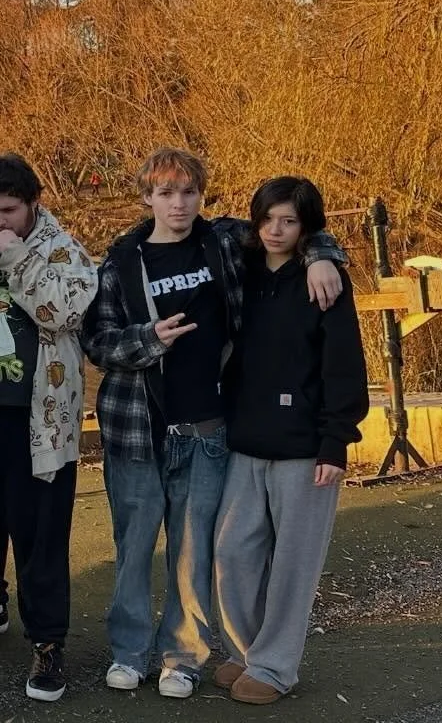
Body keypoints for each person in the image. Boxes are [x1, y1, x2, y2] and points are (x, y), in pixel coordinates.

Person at [82, 148, 346, 700]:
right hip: (136, 430)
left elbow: (289, 223)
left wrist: (324, 254)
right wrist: (149, 340)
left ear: (201, 195)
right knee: (133, 549)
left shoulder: (224, 241)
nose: (178, 204)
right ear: (147, 197)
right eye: (166, 193)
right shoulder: (120, 261)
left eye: (188, 192)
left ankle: (183, 656)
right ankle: (129, 652)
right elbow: (98, 344)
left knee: (195, 551)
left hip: (207, 429)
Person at [0, 154, 98, 702]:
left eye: (10, 210)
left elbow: (63, 312)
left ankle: (48, 641)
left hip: (37, 417)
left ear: (34, 203)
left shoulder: (63, 249)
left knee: (40, 530)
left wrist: (19, 257)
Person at [212, 177, 368, 705]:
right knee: (232, 552)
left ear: (307, 226)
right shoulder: (244, 265)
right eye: (268, 218)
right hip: (246, 440)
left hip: (306, 447)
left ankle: (275, 667)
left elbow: (344, 366)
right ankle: (245, 651)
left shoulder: (324, 281)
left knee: (292, 565)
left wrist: (335, 442)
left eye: (290, 221)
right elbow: (190, 226)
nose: (276, 230)